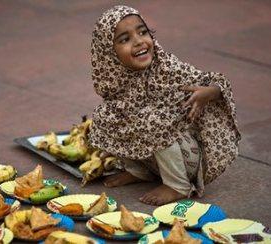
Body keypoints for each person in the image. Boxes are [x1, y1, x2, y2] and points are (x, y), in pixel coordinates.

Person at [88, 5, 241, 206]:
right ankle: (140, 172)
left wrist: (209, 93)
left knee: (151, 120)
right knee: (106, 116)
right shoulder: (118, 78)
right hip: (153, 159)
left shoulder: (166, 67)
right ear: (109, 54)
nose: (139, 42)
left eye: (143, 32)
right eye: (125, 39)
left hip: (187, 158)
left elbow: (215, 81)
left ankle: (178, 185)